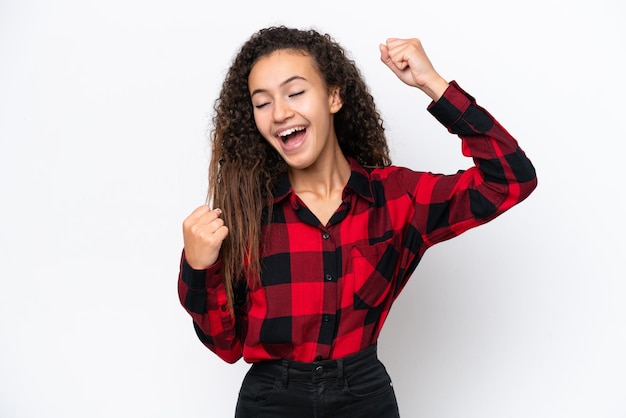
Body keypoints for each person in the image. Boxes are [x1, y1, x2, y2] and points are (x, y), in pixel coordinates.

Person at [177, 26, 537, 417]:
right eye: (262, 103)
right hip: (270, 402)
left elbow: (510, 180)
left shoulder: (398, 198)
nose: (280, 112)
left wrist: (433, 85)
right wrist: (199, 269)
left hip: (363, 397)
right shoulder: (245, 214)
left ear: (334, 96)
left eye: (295, 93)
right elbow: (226, 347)